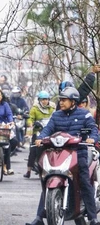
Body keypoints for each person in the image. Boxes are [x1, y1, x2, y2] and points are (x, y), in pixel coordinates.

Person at [27, 87, 100, 225]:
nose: (61, 102)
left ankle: (92, 217)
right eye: (60, 100)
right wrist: (40, 138)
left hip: (79, 151)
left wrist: (92, 138)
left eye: (64, 100)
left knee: (84, 182)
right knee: (47, 178)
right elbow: (47, 129)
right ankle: (38, 217)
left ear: (73, 101)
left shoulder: (84, 114)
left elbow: (93, 130)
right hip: (58, 152)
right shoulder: (56, 115)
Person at [23, 91, 56, 178]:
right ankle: (28, 170)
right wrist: (31, 123)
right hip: (38, 131)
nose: (44, 101)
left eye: (46, 99)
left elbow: (56, 117)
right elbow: (30, 118)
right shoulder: (34, 108)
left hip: (50, 132)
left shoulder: (53, 108)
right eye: (42, 100)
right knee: (33, 150)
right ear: (39, 100)